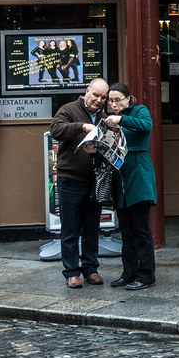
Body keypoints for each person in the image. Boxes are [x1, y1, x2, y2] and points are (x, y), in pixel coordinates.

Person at [49, 78, 110, 289]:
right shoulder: (69, 109)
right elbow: (56, 130)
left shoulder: (104, 117)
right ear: (87, 92)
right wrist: (81, 126)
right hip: (71, 179)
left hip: (94, 180)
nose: (99, 100)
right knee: (71, 228)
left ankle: (91, 269)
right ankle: (72, 272)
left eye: (103, 97)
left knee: (92, 228)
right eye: (96, 95)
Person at [103, 82, 157, 290]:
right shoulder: (108, 121)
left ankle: (146, 275)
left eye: (117, 100)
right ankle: (129, 273)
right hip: (121, 179)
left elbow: (146, 126)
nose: (114, 104)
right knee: (126, 231)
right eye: (111, 101)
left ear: (128, 99)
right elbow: (106, 148)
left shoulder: (139, 111)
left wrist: (122, 119)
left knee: (140, 229)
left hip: (139, 176)